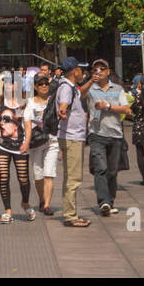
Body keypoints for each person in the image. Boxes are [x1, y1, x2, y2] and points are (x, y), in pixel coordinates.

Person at [85, 59, 129, 217]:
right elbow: (80, 94)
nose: (98, 72)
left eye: (102, 69)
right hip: (96, 134)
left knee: (112, 171)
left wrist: (108, 106)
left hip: (115, 134)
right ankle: (103, 201)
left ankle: (110, 201)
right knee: (100, 168)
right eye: (95, 69)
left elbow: (126, 109)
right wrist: (90, 81)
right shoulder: (90, 88)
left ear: (108, 71)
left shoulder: (117, 89)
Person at [56, 56, 95, 227]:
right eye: (80, 69)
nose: (83, 72)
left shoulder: (72, 87)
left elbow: (81, 94)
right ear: (74, 71)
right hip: (71, 137)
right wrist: (63, 111)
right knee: (73, 177)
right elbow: (64, 104)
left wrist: (93, 80)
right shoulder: (66, 88)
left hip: (73, 136)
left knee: (71, 176)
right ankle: (70, 216)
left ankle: (70, 213)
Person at [0, 82, 33, 223]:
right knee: (3, 177)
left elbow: (28, 125)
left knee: (23, 179)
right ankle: (7, 211)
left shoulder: (24, 103)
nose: (8, 86)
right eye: (6, 84)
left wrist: (26, 142)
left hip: (20, 146)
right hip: (2, 146)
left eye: (12, 83)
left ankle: (25, 202)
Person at [25, 71, 58, 215]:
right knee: (38, 175)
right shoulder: (30, 102)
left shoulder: (54, 101)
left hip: (52, 141)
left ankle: (47, 205)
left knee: (49, 173)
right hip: (37, 142)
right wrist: (26, 141)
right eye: (41, 84)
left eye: (46, 83)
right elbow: (27, 122)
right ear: (35, 87)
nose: (44, 86)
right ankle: (41, 199)